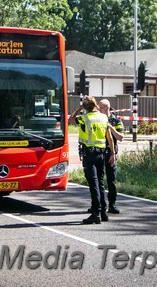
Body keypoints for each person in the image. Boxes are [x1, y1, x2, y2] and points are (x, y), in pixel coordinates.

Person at [68, 96, 116, 224]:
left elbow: (70, 119)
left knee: (93, 184)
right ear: (95, 105)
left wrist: (79, 109)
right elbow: (109, 138)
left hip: (90, 155)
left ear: (85, 107)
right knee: (100, 183)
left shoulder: (84, 118)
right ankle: (104, 212)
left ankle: (95, 213)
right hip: (102, 154)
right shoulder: (103, 117)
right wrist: (113, 153)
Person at [98, 99, 124, 214]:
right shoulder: (97, 119)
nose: (98, 110)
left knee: (111, 180)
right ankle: (98, 204)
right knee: (98, 180)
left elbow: (120, 137)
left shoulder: (116, 119)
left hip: (111, 154)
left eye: (100, 108)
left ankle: (112, 205)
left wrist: (109, 127)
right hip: (99, 152)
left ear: (107, 108)